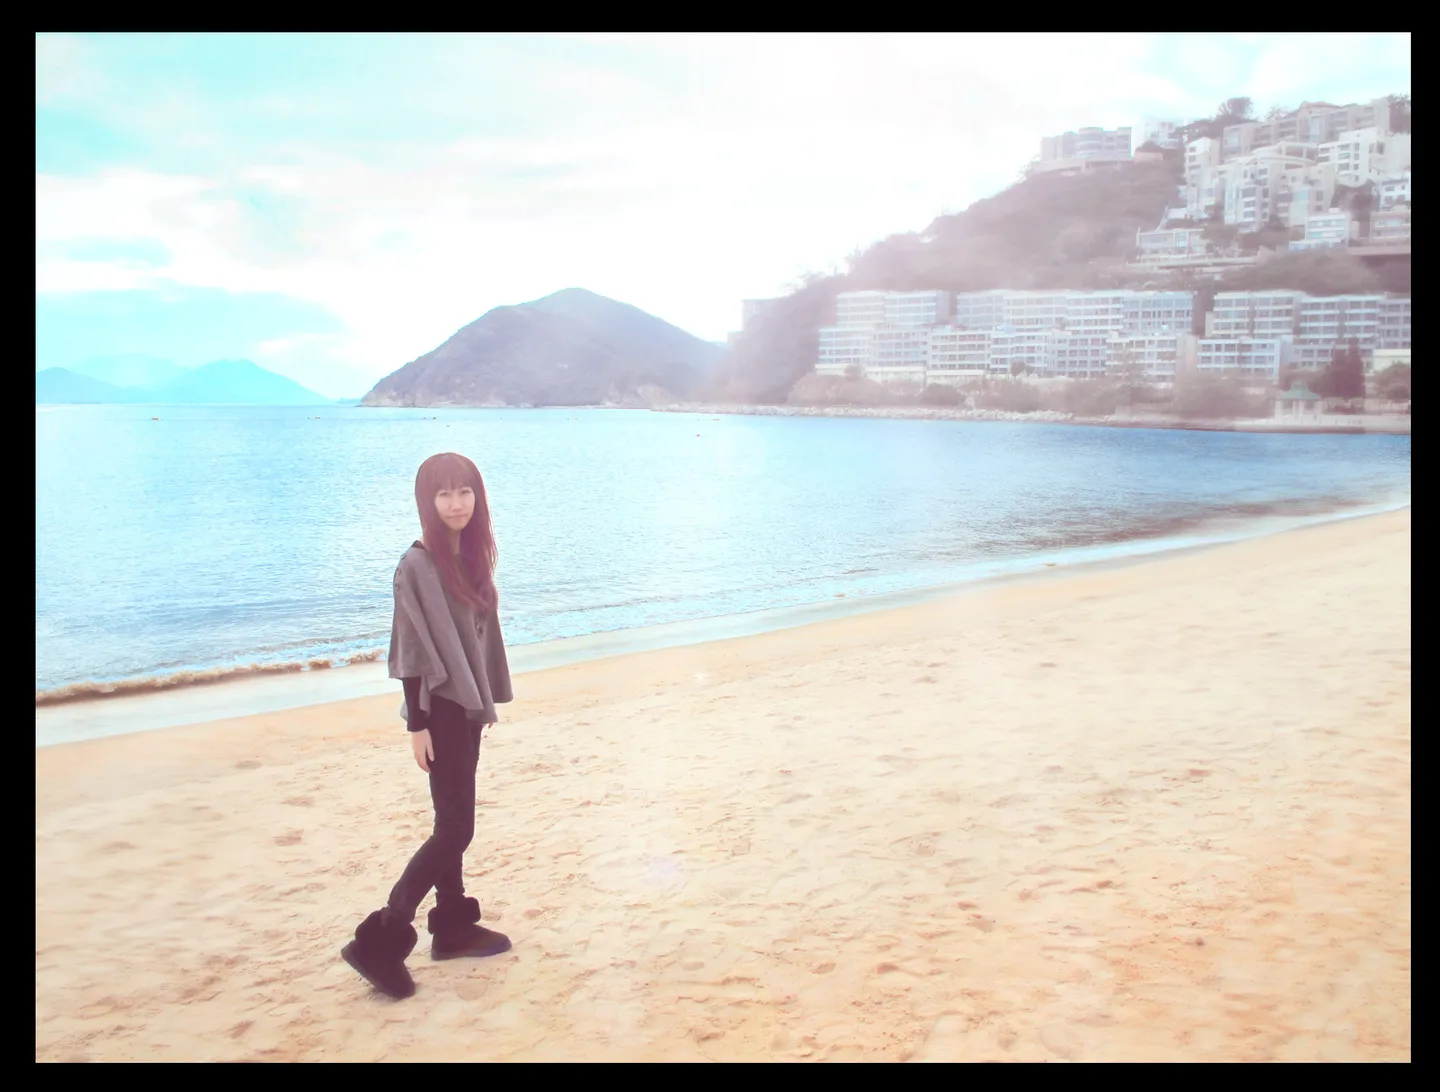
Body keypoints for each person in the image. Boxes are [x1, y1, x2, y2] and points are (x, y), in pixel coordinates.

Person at [341, 452, 514, 999]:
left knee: (450, 819)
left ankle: (454, 927)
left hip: (465, 707)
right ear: (427, 501)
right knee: (456, 828)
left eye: (464, 491)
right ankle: (382, 937)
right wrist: (418, 725)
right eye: (444, 494)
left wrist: (480, 697)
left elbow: (477, 635)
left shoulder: (471, 556)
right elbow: (409, 651)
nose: (456, 503)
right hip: (439, 708)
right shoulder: (415, 565)